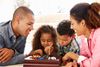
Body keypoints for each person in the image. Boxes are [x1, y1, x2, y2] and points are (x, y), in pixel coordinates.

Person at [63, 2, 100, 67]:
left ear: (82, 23)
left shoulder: (98, 35)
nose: (71, 27)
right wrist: (75, 63)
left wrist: (75, 57)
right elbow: (84, 57)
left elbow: (94, 65)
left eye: (72, 24)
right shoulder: (84, 37)